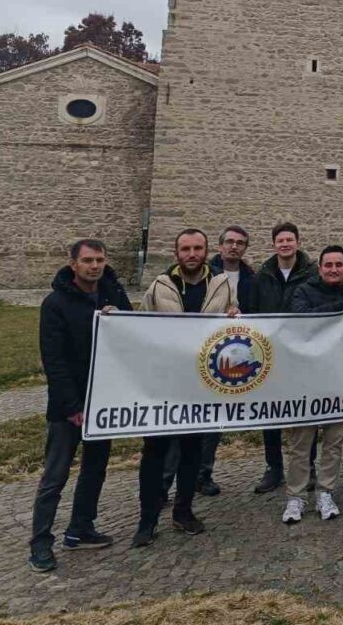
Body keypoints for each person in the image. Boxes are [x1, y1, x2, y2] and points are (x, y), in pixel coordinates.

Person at [28, 239, 132, 573]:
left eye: (100, 259)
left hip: (103, 401)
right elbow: (54, 360)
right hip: (68, 407)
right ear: (73, 263)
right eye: (88, 260)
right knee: (55, 475)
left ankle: (81, 528)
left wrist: (120, 319)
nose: (95, 266)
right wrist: (72, 406)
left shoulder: (113, 294)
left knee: (95, 469)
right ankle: (40, 542)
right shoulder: (55, 303)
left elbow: (134, 333)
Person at [133, 228, 239, 547]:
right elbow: (138, 326)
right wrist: (113, 322)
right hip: (165, 383)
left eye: (197, 248)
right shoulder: (160, 285)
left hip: (201, 383)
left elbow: (234, 322)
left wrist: (235, 316)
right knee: (155, 452)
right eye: (186, 249)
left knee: (192, 451)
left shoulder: (221, 284)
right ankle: (147, 519)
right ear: (176, 252)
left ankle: (183, 511)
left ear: (206, 251)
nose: (192, 254)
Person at [166, 225, 255, 498]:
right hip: (181, 361)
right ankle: (165, 482)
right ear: (218, 246)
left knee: (212, 423)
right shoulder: (188, 278)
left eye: (240, 243)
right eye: (229, 242)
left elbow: (244, 310)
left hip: (220, 359)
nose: (234, 247)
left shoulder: (250, 278)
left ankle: (202, 475)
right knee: (176, 425)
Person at [282, 245, 343, 523]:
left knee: (333, 443)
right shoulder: (303, 292)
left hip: (339, 381)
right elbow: (303, 319)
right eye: (328, 265)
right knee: (300, 444)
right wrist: (340, 308)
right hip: (307, 381)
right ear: (320, 268)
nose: (333, 269)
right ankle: (295, 496)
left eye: (339, 265)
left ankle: (325, 492)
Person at [249, 222, 317, 495]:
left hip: (301, 352)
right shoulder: (262, 276)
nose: (285, 244)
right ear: (274, 245)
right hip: (270, 353)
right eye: (280, 240)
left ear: (297, 243)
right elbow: (253, 311)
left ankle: (307, 465)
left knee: (305, 411)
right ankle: (273, 467)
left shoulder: (312, 274)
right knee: (270, 414)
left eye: (289, 239)